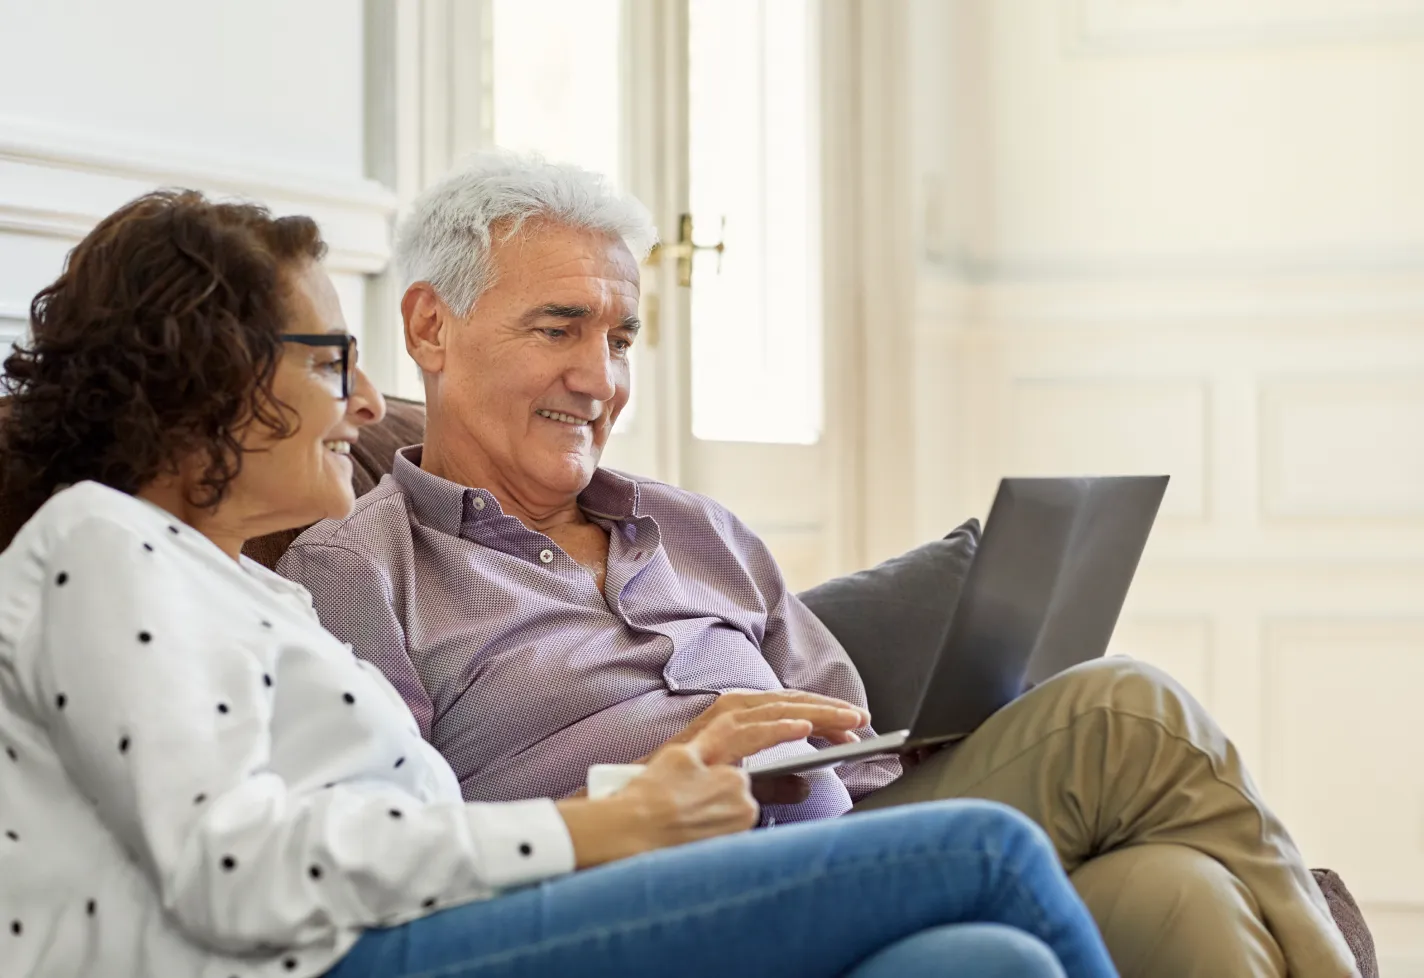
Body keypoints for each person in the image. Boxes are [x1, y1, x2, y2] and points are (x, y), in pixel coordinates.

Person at [278, 152, 1360, 978]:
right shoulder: (358, 573)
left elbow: (856, 756)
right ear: (429, 325)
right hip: (652, 893)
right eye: (558, 328)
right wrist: (655, 782)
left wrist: (923, 740)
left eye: (620, 340)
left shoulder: (699, 530)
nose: (597, 378)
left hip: (848, 855)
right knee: (1123, 711)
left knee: (1173, 889)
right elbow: (405, 846)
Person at [0, 189, 1120, 978]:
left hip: (439, 920)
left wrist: (627, 810)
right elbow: (231, 868)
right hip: (333, 961)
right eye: (331, 361)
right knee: (988, 848)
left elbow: (378, 826)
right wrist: (609, 825)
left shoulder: (247, 590)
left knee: (983, 960)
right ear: (213, 367)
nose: (360, 406)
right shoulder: (102, 544)